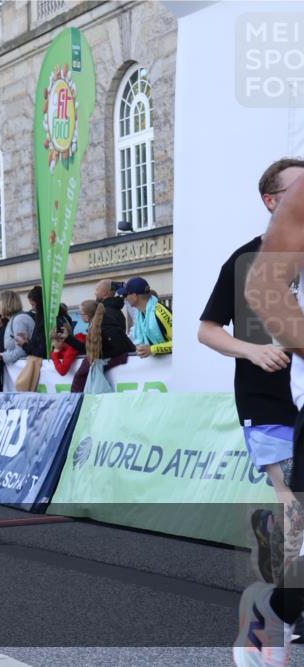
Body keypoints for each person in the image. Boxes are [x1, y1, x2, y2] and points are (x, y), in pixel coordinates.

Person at [226, 158, 304, 664]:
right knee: (293, 515)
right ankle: (274, 611)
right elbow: (258, 293)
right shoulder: (271, 252)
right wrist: (260, 349)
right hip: (274, 405)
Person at [121, 277, 172, 356]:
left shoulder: (160, 312)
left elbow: (181, 344)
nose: (125, 298)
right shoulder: (141, 314)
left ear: (134, 296)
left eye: (125, 295)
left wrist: (152, 349)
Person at [0, 290, 34, 367]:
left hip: (24, 369)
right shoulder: (14, 319)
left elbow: (22, 351)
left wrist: (1, 356)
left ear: (6, 303)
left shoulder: (19, 320)